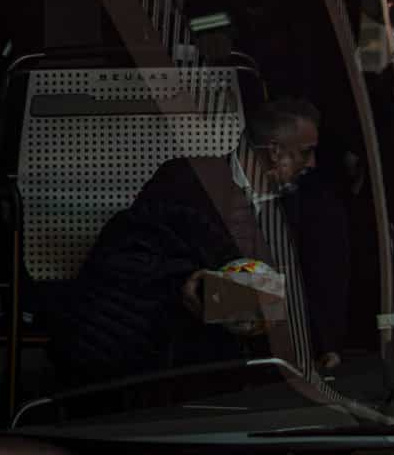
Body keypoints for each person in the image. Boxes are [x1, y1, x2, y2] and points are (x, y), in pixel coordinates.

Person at [52, 98, 349, 385]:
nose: (312, 163)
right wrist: (189, 280)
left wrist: (326, 344)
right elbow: (134, 251)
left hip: (262, 358)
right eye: (305, 152)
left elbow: (315, 281)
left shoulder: (306, 206)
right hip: (172, 348)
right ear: (274, 152)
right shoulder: (183, 179)